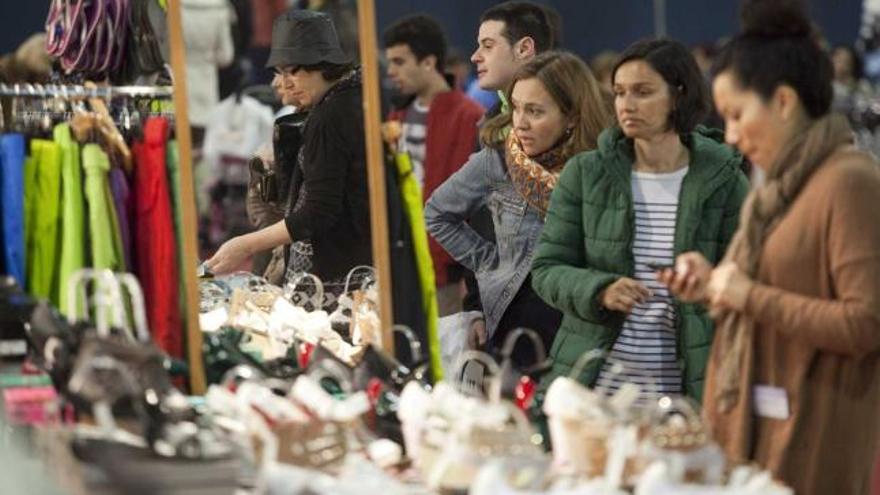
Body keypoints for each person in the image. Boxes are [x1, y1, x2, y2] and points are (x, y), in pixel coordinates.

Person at [658, 1, 880, 492]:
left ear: (783, 102)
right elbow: (766, 284)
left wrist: (747, 295)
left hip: (812, 443)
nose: (732, 136)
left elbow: (866, 323)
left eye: (737, 115)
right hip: (756, 434)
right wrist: (712, 280)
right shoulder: (776, 188)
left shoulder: (849, 180)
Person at [531, 39, 749, 400]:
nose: (626, 105)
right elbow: (547, 268)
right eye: (618, 93)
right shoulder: (586, 173)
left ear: (678, 96)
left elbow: (745, 276)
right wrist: (599, 289)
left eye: (643, 92)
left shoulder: (724, 181)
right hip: (596, 386)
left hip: (686, 390)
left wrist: (707, 286)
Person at [425, 51, 611, 363]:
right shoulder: (498, 160)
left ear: (572, 116)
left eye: (535, 111)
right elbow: (437, 212)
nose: (520, 123)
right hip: (515, 318)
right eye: (516, 108)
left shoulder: (601, 167)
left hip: (581, 321)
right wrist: (489, 263)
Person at [207, 10, 371, 297]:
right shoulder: (349, 100)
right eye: (281, 72)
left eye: (294, 70)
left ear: (321, 65)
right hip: (355, 269)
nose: (284, 83)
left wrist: (245, 245)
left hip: (335, 279)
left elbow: (317, 212)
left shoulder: (329, 115)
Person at [459, 0, 563, 346]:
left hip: (557, 313)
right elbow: (480, 219)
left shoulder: (575, 121)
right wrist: (475, 305)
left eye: (488, 46)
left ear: (525, 48)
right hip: (501, 312)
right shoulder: (490, 124)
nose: (475, 56)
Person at [383, 15, 484, 316]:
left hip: (447, 271)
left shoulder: (470, 116)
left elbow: (474, 204)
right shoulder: (396, 114)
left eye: (400, 62)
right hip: (400, 259)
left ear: (428, 62)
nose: (391, 72)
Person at [246, 74, 307, 284]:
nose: (275, 84)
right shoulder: (287, 118)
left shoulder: (313, 123)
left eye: (284, 72)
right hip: (278, 235)